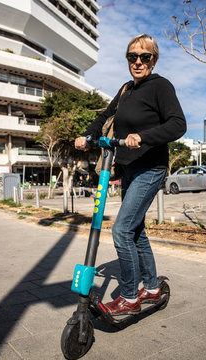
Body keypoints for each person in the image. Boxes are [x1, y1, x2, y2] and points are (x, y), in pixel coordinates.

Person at [75, 34, 186, 315]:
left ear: (154, 59)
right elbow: (104, 118)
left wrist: (144, 136)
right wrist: (88, 135)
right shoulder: (126, 90)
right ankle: (150, 288)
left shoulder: (161, 86)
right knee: (135, 231)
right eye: (132, 57)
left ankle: (129, 297)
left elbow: (177, 124)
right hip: (128, 167)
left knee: (122, 229)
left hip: (151, 167)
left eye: (144, 56)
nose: (138, 62)